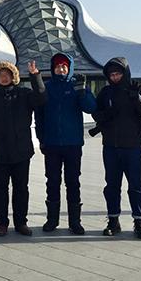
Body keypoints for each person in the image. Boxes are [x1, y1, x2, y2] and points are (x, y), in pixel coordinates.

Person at [34, 52, 96, 235]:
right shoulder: (47, 87)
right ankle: (52, 220)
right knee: (52, 182)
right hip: (52, 144)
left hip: (73, 144)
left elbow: (90, 108)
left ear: (69, 68)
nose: (60, 69)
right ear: (53, 69)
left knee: (73, 182)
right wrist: (42, 139)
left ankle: (74, 221)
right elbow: (39, 116)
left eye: (64, 67)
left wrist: (82, 91)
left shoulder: (76, 85)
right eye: (57, 67)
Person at [0, 60, 46, 237]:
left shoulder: (24, 94)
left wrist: (35, 76)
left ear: (13, 76)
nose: (4, 77)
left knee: (21, 188)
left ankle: (21, 222)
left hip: (21, 151)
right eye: (0, 75)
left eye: (7, 74)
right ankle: (1, 223)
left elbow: (41, 98)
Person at [92, 57, 141, 239]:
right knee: (112, 186)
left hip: (133, 146)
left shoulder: (136, 89)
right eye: (112, 74)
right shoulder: (105, 92)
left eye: (118, 73)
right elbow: (96, 114)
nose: (115, 77)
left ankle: (139, 221)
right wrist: (105, 115)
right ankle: (113, 220)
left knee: (136, 186)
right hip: (110, 146)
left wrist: (137, 99)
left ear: (125, 73)